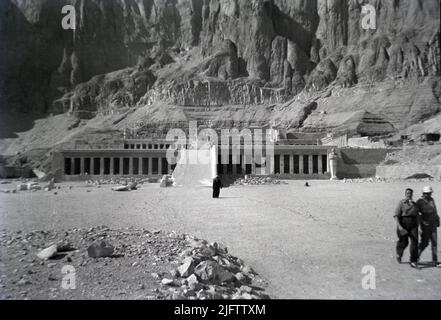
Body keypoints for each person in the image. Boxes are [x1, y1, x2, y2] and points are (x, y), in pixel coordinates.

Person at [394, 188, 420, 268]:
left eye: (411, 193)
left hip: (413, 225)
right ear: (405, 194)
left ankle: (413, 260)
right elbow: (396, 215)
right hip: (403, 223)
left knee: (415, 242)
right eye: (408, 193)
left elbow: (417, 216)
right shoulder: (401, 203)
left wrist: (418, 226)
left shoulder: (415, 204)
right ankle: (399, 254)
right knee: (404, 242)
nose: (409, 194)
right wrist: (400, 226)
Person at [417, 186, 440, 267]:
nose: (430, 195)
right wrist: (420, 225)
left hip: (433, 224)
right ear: (424, 194)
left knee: (434, 242)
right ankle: (415, 257)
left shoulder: (431, 200)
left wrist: (437, 220)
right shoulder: (419, 202)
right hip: (425, 225)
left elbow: (435, 210)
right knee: (424, 243)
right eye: (428, 194)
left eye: (430, 193)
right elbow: (417, 215)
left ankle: (435, 260)